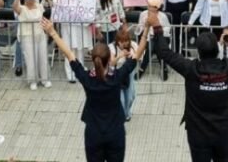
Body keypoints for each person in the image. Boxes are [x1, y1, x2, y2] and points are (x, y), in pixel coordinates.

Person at [152, 5, 228, 162]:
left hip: (197, 134)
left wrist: (156, 27)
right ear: (216, 49)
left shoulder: (190, 69)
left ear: (198, 52)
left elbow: (164, 52)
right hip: (222, 132)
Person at [42, 16, 149, 162]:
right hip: (115, 132)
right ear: (108, 58)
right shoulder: (116, 77)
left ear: (93, 59)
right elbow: (137, 54)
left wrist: (53, 32)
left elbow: (69, 54)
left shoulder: (87, 79)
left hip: (93, 133)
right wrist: (147, 29)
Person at [14, 0, 50, 90]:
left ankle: (45, 79)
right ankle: (32, 81)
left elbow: (48, 11)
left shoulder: (39, 6)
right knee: (31, 59)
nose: (32, 0)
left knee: (43, 57)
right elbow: (14, 7)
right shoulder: (22, 8)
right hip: (27, 36)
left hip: (40, 34)